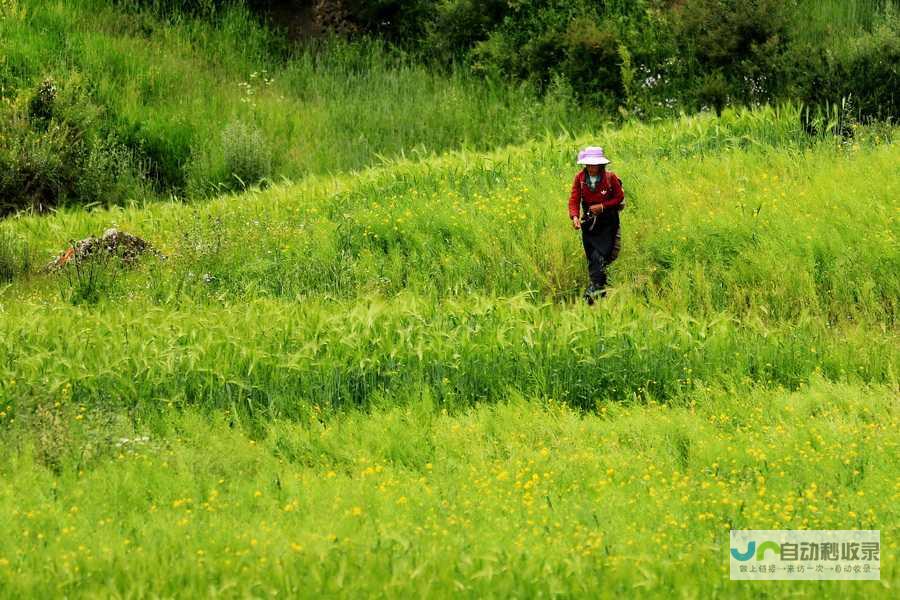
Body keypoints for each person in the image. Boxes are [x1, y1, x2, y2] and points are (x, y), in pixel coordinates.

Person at [568, 146, 624, 304]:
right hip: (590, 225)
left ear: (601, 165)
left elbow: (619, 197)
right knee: (592, 256)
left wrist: (603, 206)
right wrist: (574, 217)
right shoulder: (579, 179)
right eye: (589, 165)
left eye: (595, 165)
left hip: (607, 223)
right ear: (585, 165)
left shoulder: (610, 178)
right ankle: (599, 290)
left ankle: (594, 290)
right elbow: (574, 199)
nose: (592, 168)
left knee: (601, 256)